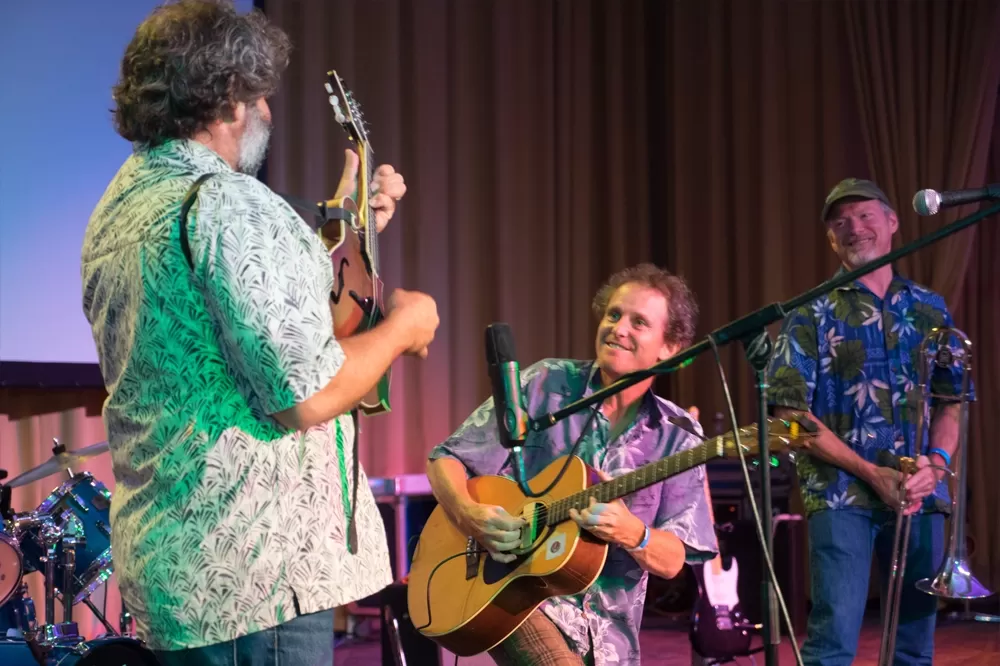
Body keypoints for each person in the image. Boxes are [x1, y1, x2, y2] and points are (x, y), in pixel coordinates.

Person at [80, 1, 439, 664]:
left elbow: (244, 324)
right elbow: (307, 393)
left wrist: (347, 236)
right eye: (261, 95)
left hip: (180, 576)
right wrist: (402, 329)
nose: (268, 113)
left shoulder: (120, 205)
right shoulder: (228, 201)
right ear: (228, 101)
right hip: (258, 581)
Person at [426, 263, 718, 666]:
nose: (618, 328)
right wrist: (469, 515)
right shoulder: (546, 384)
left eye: (639, 322)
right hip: (518, 597)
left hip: (612, 640)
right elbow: (447, 458)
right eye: (613, 315)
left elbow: (673, 561)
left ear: (670, 347)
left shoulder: (679, 435)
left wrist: (634, 533)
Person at [766, 178, 971, 665]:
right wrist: (872, 473)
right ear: (831, 239)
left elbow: (951, 401)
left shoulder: (930, 308)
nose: (853, 228)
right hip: (842, 496)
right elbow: (790, 415)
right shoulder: (808, 312)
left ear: (894, 222)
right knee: (832, 643)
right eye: (840, 223)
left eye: (864, 216)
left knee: (915, 647)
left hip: (921, 494)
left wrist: (936, 465)